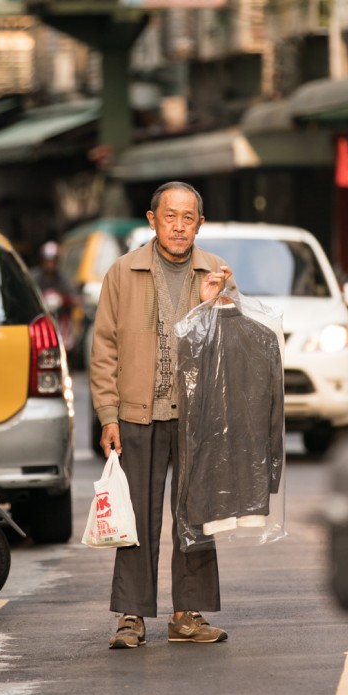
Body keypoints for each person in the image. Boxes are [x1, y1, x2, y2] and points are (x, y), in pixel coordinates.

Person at [90, 181, 233, 649]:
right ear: (152, 221)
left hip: (197, 416)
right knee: (137, 518)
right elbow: (104, 349)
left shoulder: (216, 273)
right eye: (169, 216)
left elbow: (232, 348)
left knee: (195, 517)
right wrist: (108, 414)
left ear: (200, 224)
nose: (178, 226)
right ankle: (131, 616)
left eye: (188, 218)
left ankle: (187, 616)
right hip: (137, 413)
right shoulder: (122, 272)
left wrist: (215, 302)